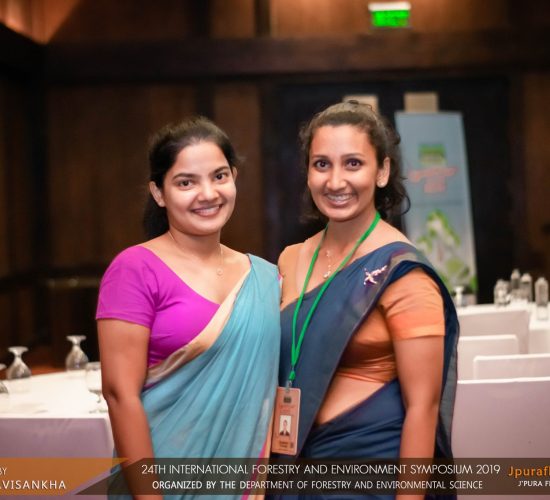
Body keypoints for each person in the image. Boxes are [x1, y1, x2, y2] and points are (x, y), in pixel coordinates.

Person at [275, 101, 458, 499]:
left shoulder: (402, 273)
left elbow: (423, 408)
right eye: (321, 164)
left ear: (383, 171)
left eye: (353, 163)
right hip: (295, 466)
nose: (335, 181)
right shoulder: (291, 259)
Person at [96, 117, 280, 498]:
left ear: (235, 178)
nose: (207, 193)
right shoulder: (134, 270)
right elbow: (119, 395)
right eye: (186, 182)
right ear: (159, 193)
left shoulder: (265, 277)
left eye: (219, 176)